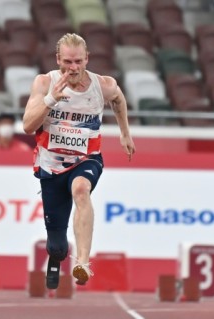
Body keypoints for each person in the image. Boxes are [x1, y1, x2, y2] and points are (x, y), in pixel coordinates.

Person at [23, 33, 136, 289]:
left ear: (87, 59)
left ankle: (82, 262)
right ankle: (58, 256)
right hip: (51, 166)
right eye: (67, 62)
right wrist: (51, 99)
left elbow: (118, 99)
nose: (73, 68)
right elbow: (28, 126)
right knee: (57, 244)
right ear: (57, 60)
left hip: (87, 158)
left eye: (77, 62)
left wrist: (125, 132)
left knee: (82, 190)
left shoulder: (102, 85)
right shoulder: (44, 83)